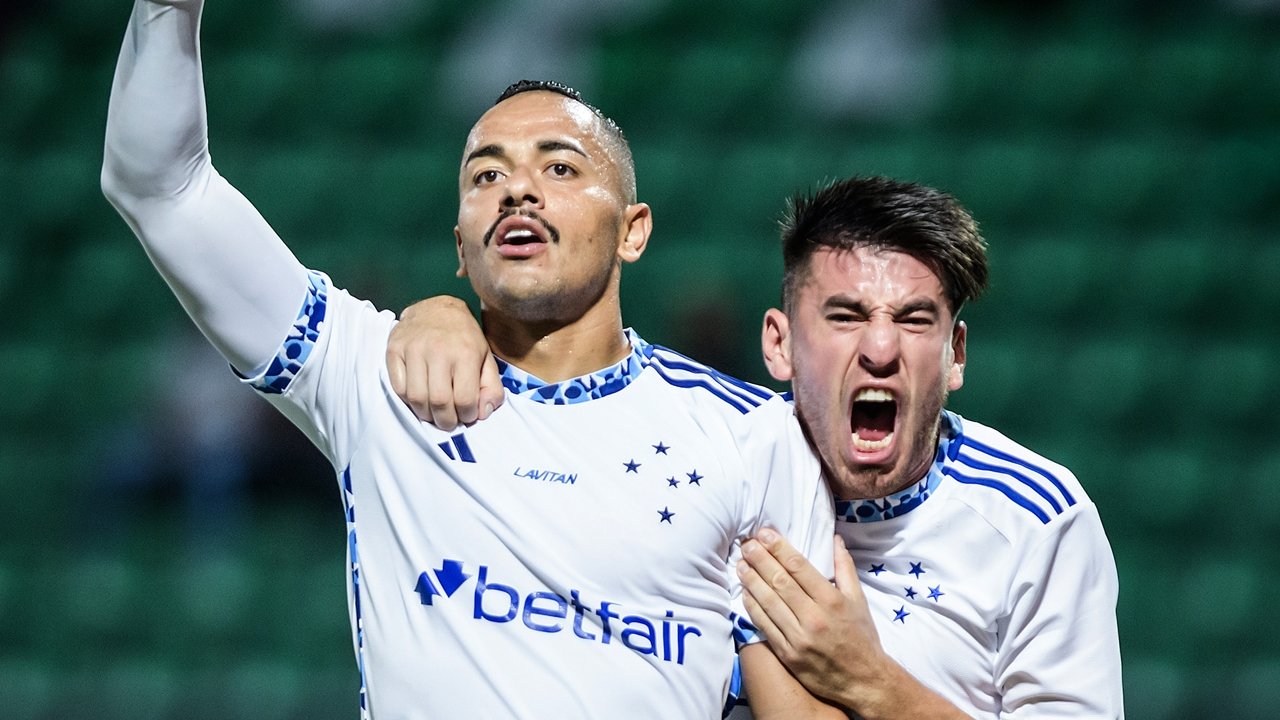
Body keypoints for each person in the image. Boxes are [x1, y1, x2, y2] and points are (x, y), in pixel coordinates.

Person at [100, 1, 838, 718]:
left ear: (632, 231)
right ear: (461, 246)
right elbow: (161, 188)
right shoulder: (375, 376)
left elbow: (800, 702)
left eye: (560, 168)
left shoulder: (756, 438)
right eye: (487, 176)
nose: (517, 188)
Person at [389, 176, 1124, 718]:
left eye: (914, 320)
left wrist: (871, 682)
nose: (878, 348)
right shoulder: (707, 463)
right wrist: (442, 315)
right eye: (844, 315)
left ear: (956, 353)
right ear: (778, 344)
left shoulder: (1035, 521)